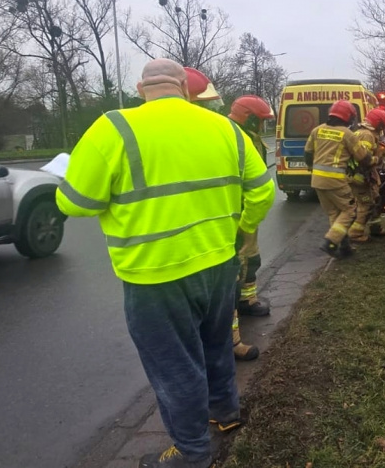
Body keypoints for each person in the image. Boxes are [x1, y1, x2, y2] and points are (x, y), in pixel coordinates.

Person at [55, 59, 275, 468]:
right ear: (185, 88)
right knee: (215, 345)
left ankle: (191, 453)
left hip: (155, 276)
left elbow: (75, 202)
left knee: (175, 367)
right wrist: (240, 229)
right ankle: (225, 413)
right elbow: (263, 191)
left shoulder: (114, 127)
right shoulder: (224, 128)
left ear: (142, 89)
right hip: (219, 264)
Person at [184, 70, 262, 362]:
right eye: (204, 104)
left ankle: (220, 346)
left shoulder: (209, 132)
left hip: (198, 229)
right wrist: (245, 224)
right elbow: (259, 190)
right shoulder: (214, 134)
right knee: (222, 287)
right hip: (213, 229)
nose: (209, 110)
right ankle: (227, 345)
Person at [304, 100, 374, 258]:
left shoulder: (317, 130)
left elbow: (308, 153)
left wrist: (312, 168)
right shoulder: (347, 134)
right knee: (350, 211)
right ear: (347, 117)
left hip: (317, 180)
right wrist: (375, 160)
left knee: (334, 213)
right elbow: (363, 158)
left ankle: (344, 247)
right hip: (335, 180)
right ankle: (330, 242)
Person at [228, 95, 275, 318]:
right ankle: (243, 303)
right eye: (260, 120)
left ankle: (246, 299)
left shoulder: (229, 132)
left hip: (236, 207)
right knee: (246, 256)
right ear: (249, 117)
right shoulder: (243, 138)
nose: (262, 124)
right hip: (242, 209)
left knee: (246, 256)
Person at [347, 108, 385, 243]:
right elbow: (364, 159)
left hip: (362, 176)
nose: (383, 128)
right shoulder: (367, 135)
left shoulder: (364, 133)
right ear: (377, 123)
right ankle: (355, 234)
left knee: (375, 200)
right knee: (366, 204)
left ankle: (375, 228)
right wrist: (378, 159)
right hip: (360, 177)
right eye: (382, 125)